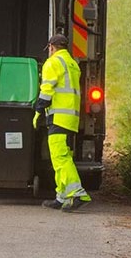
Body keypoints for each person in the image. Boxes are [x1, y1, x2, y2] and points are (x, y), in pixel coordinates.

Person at [34, 33, 91, 212]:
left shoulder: (53, 63)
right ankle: (61, 196)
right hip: (71, 118)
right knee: (60, 157)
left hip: (58, 117)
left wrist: (38, 110)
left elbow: (46, 90)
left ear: (51, 47)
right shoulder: (73, 64)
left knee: (60, 158)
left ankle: (78, 193)